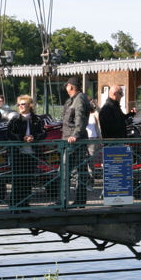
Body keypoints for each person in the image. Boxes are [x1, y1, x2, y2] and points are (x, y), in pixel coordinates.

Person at [6, 94, 46, 211]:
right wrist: (22, 138)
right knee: (17, 179)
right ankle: (14, 205)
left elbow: (43, 133)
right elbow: (9, 134)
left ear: (29, 105)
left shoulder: (37, 119)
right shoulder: (15, 120)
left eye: (22, 104)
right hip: (18, 154)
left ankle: (25, 204)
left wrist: (34, 137)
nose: (20, 107)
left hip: (32, 153)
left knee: (28, 179)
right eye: (18, 105)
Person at [61, 77, 91, 206]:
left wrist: (75, 135)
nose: (66, 88)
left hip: (74, 142)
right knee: (79, 171)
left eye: (67, 86)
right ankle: (79, 200)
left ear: (71, 87)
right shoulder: (74, 99)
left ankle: (62, 201)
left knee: (64, 170)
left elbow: (80, 119)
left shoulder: (79, 99)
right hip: (71, 140)